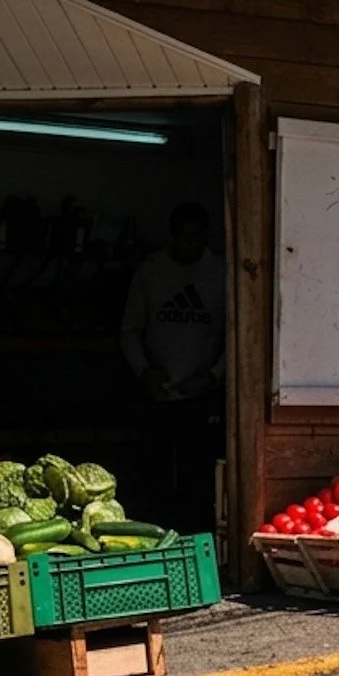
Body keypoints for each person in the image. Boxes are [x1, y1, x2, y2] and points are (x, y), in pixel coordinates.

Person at [120, 201, 226, 528]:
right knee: (155, 471)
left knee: (200, 473)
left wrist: (213, 376)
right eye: (183, 236)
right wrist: (144, 371)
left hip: (202, 392)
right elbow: (130, 331)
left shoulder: (221, 273)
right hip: (158, 391)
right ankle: (157, 532)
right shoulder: (151, 271)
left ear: (205, 237)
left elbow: (239, 336)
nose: (189, 244)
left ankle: (198, 533)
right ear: (171, 235)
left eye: (196, 237)